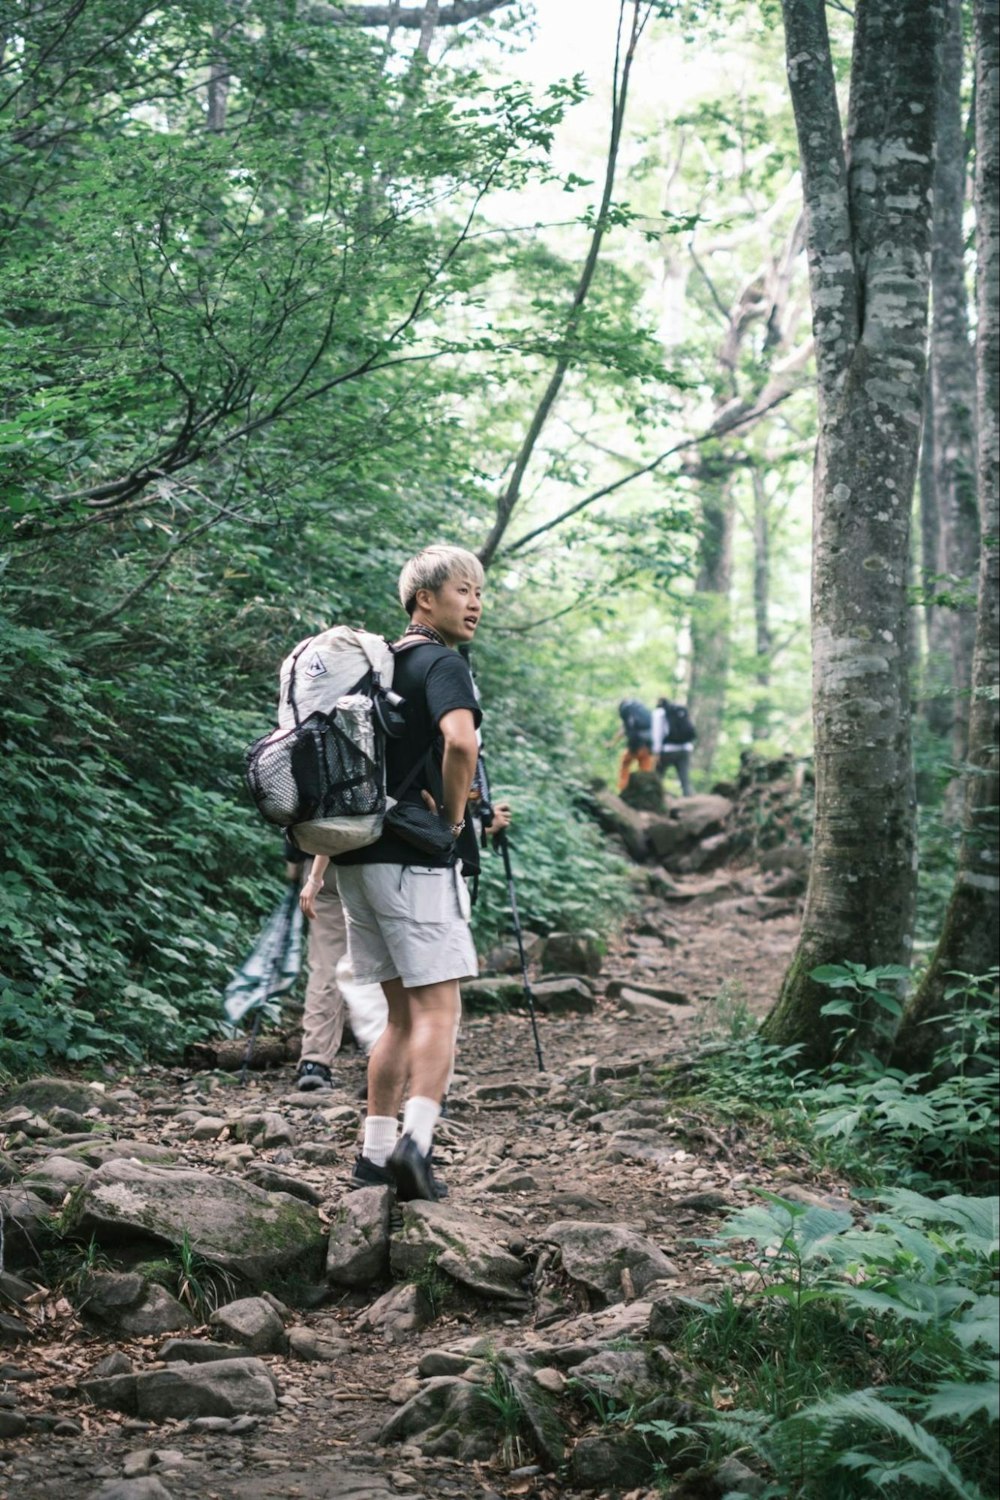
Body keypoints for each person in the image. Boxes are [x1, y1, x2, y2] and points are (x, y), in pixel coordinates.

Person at [332, 543, 508, 1203]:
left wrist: (321, 863)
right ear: (423, 600)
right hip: (413, 859)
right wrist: (456, 824)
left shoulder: (374, 670)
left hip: (360, 858)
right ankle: (417, 1145)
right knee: (440, 1008)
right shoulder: (442, 663)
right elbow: (463, 742)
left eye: (481, 593)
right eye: (464, 590)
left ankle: (374, 1156)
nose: (476, 604)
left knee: (401, 1017)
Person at [286, 842, 349, 1091]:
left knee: (326, 965)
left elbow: (295, 812)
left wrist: (295, 863)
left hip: (323, 868)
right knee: (385, 966)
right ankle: (388, 1060)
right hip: (383, 864)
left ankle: (315, 1061)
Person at [652, 696, 694, 797]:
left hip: (667, 750)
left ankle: (655, 799)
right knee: (684, 779)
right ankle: (690, 802)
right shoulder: (679, 711)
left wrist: (656, 752)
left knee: (657, 776)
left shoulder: (659, 713)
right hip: (685, 749)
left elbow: (657, 733)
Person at [610, 698, 655, 791]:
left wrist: (612, 743)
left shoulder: (626, 711)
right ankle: (644, 791)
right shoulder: (641, 709)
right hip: (648, 746)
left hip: (635, 746)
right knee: (645, 771)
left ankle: (623, 788)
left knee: (625, 764)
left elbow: (624, 730)